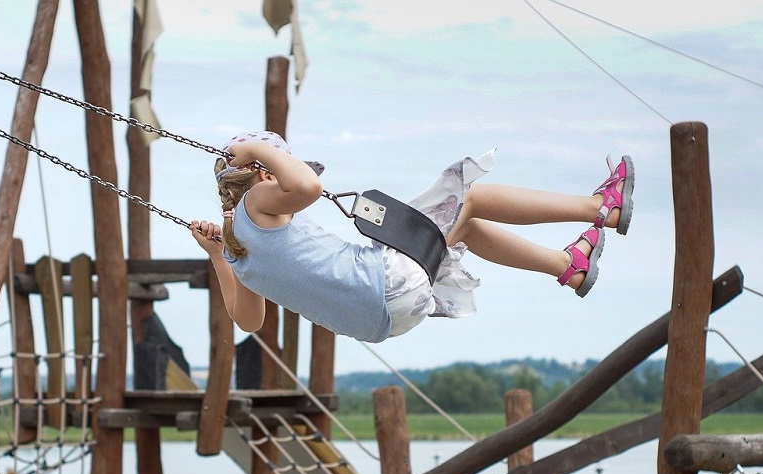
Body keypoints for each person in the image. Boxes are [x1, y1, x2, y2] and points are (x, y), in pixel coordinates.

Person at [191, 131, 633, 343]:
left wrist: (216, 256)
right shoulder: (256, 204)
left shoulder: (238, 254)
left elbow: (249, 322)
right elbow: (307, 187)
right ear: (263, 173)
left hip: (384, 322)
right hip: (385, 282)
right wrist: (255, 150)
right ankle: (600, 208)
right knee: (468, 198)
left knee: (462, 226)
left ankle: (568, 266)